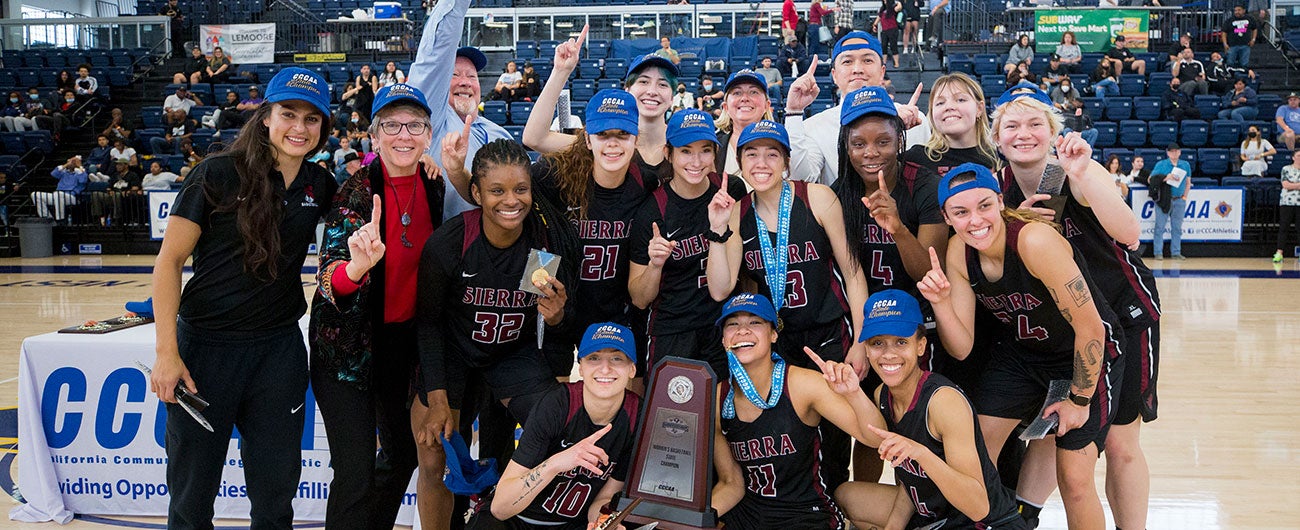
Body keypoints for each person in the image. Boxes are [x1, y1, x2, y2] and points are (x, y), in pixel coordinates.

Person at [148, 67, 338, 529]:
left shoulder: (321, 185)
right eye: (288, 114)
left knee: (276, 496)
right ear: (265, 117)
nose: (299, 127)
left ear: (324, 129)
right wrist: (167, 354)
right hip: (205, 352)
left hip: (278, 352)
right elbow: (168, 264)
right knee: (192, 498)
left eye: (312, 119)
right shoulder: (215, 174)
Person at [920, 163, 1125, 530]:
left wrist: (1079, 399)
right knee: (973, 451)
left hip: (1084, 354)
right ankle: (1003, 524)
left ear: (1000, 201)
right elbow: (962, 347)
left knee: (1074, 479)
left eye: (984, 205)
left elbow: (1090, 327)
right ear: (947, 218)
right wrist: (940, 302)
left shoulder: (1033, 241)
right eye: (961, 212)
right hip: (1026, 355)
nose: (976, 220)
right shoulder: (958, 253)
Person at [995, 88, 1160, 529]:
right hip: (1065, 326)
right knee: (1059, 427)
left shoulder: (1074, 171)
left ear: (1053, 132)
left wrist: (1084, 174)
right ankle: (1023, 516)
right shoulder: (998, 190)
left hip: (1123, 314)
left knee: (1122, 444)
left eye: (1035, 124)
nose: (1023, 134)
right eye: (1012, 125)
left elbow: (1129, 232)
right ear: (997, 137)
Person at [415, 138, 580, 530]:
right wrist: (437, 397)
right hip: (453, 353)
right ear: (476, 192)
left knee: (559, 428)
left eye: (520, 189)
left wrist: (557, 317)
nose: (511, 200)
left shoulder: (543, 243)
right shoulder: (451, 243)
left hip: (510, 352)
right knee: (434, 454)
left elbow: (558, 321)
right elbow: (428, 323)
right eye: (497, 190)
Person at [706, 120, 869, 492]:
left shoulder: (817, 197)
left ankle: (832, 507)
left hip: (828, 333)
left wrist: (860, 340)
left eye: (771, 154)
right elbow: (720, 289)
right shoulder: (735, 212)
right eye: (751, 154)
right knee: (790, 434)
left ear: (786, 162)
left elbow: (853, 272)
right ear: (739, 162)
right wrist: (717, 231)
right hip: (777, 342)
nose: (761, 162)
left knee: (835, 435)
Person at [310, 83, 441, 530]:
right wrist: (357, 268)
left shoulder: (435, 186)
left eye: (414, 125)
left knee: (403, 453)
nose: (403, 135)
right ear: (373, 134)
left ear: (428, 134)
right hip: (346, 351)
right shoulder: (354, 195)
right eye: (391, 125)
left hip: (403, 347)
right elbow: (328, 278)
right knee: (355, 470)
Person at [835, 289, 1026, 530]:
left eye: (901, 341)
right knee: (847, 495)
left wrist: (922, 454)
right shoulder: (882, 393)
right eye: (877, 343)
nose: (889, 354)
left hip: (984, 523)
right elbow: (911, 481)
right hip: (934, 513)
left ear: (921, 346)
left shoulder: (943, 402)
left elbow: (979, 507)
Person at [709, 293, 887, 529]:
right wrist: (689, 521)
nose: (743, 330)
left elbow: (876, 437)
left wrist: (854, 394)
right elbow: (731, 483)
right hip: (750, 518)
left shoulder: (803, 385)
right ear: (723, 339)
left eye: (755, 322)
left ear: (773, 334)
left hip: (806, 515)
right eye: (733, 324)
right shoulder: (718, 399)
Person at [471, 323, 641, 529]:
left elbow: (604, 499)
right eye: (594, 358)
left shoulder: (636, 417)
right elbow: (501, 507)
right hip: (517, 520)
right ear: (581, 366)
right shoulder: (558, 405)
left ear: (632, 369)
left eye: (617, 358)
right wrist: (557, 463)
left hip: (571, 523)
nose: (605, 368)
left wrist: (603, 522)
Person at [628, 109, 746, 385]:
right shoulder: (652, 210)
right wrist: (656, 265)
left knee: (724, 417)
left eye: (705, 150)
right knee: (671, 420)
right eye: (685, 151)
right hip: (672, 329)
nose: (696, 161)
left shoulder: (731, 190)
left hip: (724, 324)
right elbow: (639, 298)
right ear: (668, 154)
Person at [785, 31, 930, 186]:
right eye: (847, 62)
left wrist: (897, 129)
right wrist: (794, 112)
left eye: (867, 60)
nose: (857, 69)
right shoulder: (814, 127)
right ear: (834, 75)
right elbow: (801, 180)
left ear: (882, 71)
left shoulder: (914, 120)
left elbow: (926, 180)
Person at [1151, 143, 1191, 260]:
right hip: (1164, 199)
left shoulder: (1185, 165)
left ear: (1180, 152)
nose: (1174, 154)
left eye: (1176, 151)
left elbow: (1188, 182)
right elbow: (1151, 179)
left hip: (1179, 200)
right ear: (1168, 153)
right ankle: (1158, 252)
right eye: (1171, 151)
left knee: (1177, 228)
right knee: (1160, 226)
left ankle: (1176, 252)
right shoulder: (1161, 164)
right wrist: (1165, 177)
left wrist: (1184, 197)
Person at [33, 156, 88, 221]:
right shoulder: (64, 172)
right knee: (35, 194)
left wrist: (79, 166)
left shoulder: (81, 173)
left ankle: (60, 219)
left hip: (72, 197)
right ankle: (47, 218)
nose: (71, 163)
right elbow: (53, 174)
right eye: (70, 161)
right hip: (58, 196)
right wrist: (66, 165)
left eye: (74, 162)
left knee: (58, 194)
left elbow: (83, 181)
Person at [1275, 150, 1300, 262]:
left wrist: (1293, 185)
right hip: (1287, 202)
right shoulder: (1286, 169)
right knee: (1284, 227)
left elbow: (1290, 185)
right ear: (1293, 157)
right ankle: (1279, 253)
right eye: (1298, 156)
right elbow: (1285, 185)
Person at [1221, 4, 1259, 69]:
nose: (1236, 12)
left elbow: (1255, 29)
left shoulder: (1250, 19)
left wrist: (1253, 39)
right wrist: (1225, 44)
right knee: (1230, 63)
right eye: (1235, 10)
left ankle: (1243, 77)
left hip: (1246, 45)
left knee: (1244, 64)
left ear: (1244, 10)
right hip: (1232, 45)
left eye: (1239, 10)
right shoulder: (1229, 20)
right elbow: (1224, 32)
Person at [874, 0, 901, 69]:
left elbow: (899, 8)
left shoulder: (892, 8)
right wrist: (875, 24)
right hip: (884, 30)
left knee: (893, 46)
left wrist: (898, 2)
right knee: (884, 46)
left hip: (892, 29)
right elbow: (879, 17)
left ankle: (896, 63)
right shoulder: (882, 9)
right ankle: (884, 63)